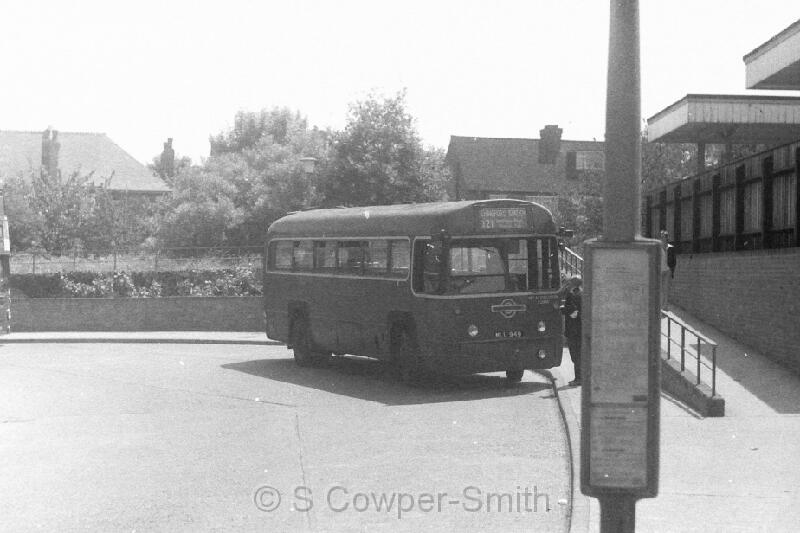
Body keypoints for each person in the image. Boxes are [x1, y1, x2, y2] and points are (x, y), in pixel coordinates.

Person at [561, 276, 582, 386]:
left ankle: (578, 379)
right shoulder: (583, 294)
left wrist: (561, 309)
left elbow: (572, 312)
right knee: (580, 355)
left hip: (573, 331)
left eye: (569, 282)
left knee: (575, 356)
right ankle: (581, 378)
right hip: (581, 330)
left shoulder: (571, 295)